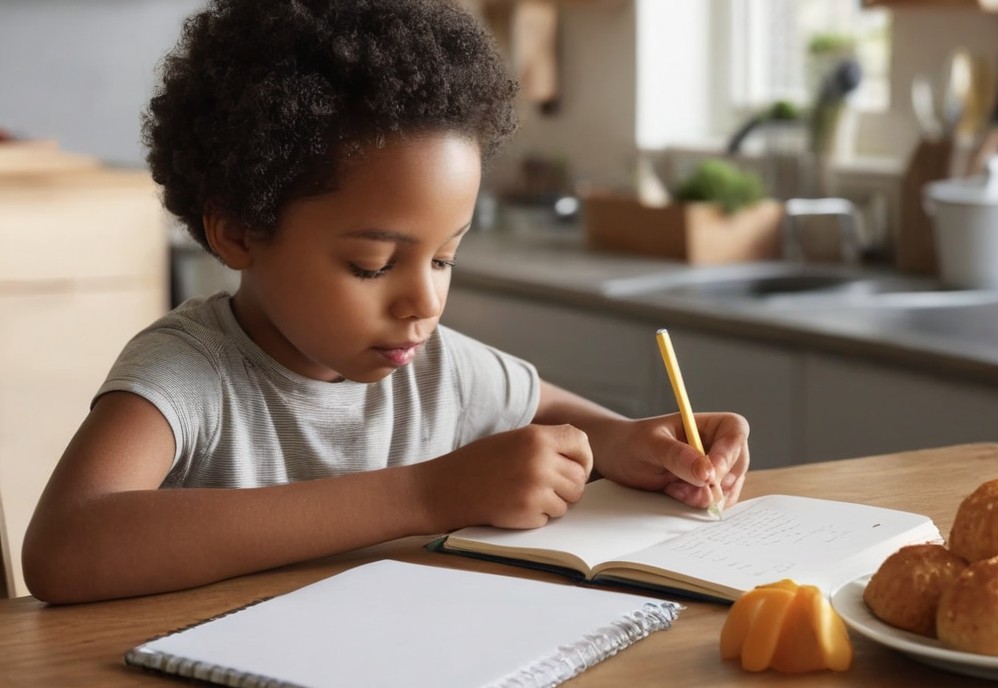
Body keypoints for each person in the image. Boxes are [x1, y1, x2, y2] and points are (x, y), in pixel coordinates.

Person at [22, 0, 750, 604]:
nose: (423, 303)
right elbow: (65, 548)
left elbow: (555, 413)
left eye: (444, 257)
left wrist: (633, 444)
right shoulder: (189, 373)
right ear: (241, 230)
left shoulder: (432, 367)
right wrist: (431, 495)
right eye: (372, 264)